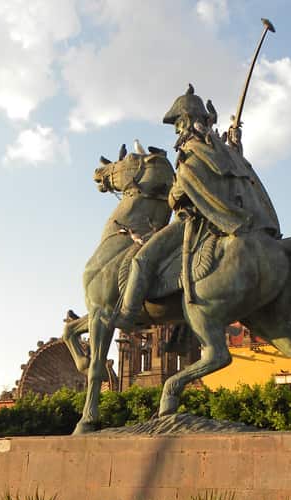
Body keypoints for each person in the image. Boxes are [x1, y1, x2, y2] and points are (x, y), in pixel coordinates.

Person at [112, 84, 280, 329]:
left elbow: (181, 190)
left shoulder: (192, 151)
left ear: (187, 121)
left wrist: (172, 195)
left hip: (196, 221)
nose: (177, 129)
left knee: (142, 260)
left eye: (178, 123)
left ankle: (127, 315)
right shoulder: (223, 150)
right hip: (234, 219)